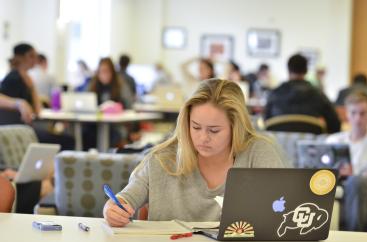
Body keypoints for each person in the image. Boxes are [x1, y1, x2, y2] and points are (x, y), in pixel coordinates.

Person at [103, 79, 289, 226]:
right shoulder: (162, 159)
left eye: (214, 130)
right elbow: (124, 199)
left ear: (236, 127)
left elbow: (287, 209)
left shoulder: (258, 152)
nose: (202, 138)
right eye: (196, 127)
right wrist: (112, 210)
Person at [0, 43, 75, 150]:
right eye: (32, 56)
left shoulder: (26, 78)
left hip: (24, 127)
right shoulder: (13, 78)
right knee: (67, 140)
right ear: (22, 58)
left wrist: (32, 87)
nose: (35, 59)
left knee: (65, 138)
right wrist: (20, 103)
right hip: (17, 128)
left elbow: (37, 109)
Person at [326, 91, 367, 231]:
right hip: (338, 195)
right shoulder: (333, 141)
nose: (358, 119)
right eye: (353, 113)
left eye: (363, 113)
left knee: (357, 182)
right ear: (347, 114)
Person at [264, 54, 341, 133]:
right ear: (306, 70)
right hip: (310, 143)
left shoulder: (275, 94)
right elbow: (335, 124)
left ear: (288, 70)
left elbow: (266, 123)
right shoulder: (318, 94)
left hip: (279, 143)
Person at [83, 57, 129, 150]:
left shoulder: (121, 87)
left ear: (112, 72)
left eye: (106, 71)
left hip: (115, 126)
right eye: (101, 71)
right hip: (94, 125)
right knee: (84, 134)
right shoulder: (92, 86)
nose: (104, 74)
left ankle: (105, 161)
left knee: (113, 135)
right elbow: (86, 103)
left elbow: (128, 106)